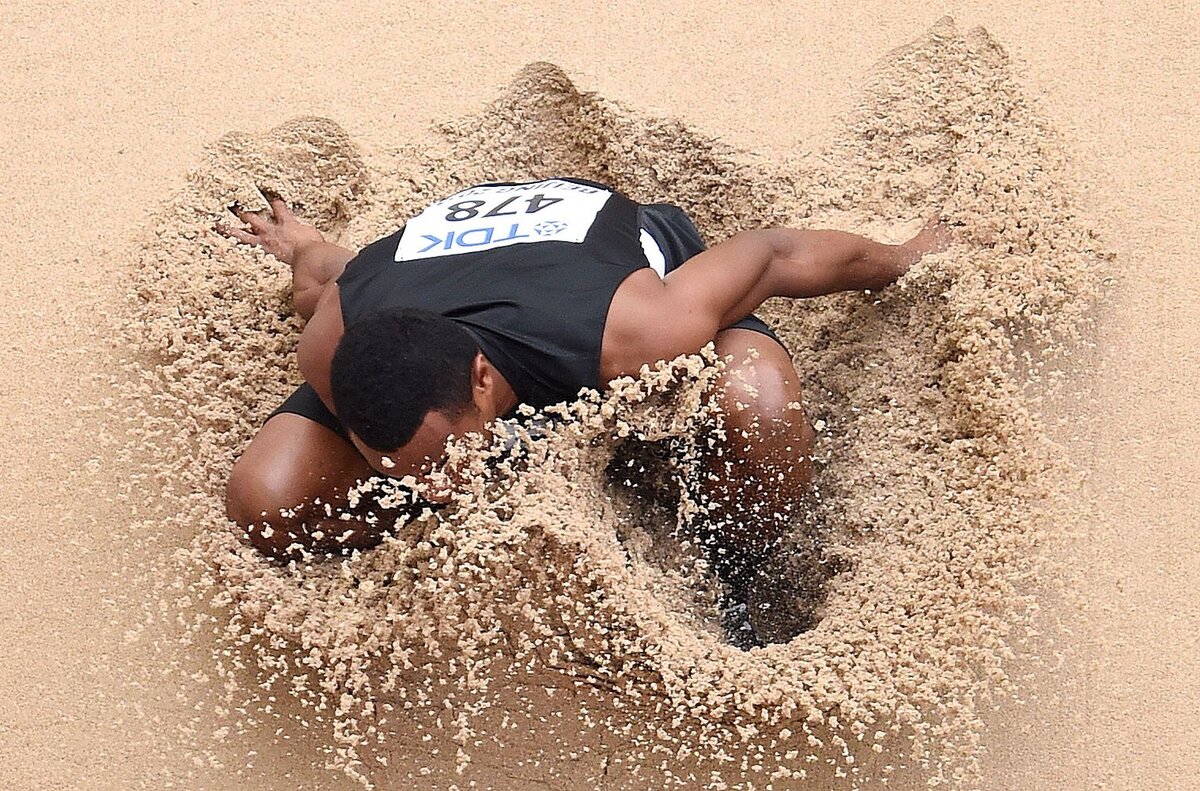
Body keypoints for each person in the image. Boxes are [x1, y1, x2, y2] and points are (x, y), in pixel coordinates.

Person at [218, 177, 949, 642]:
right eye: (403, 471)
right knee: (266, 498)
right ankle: (437, 454)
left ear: (481, 380)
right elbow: (325, 275)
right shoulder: (332, 343)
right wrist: (302, 242)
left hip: (585, 260)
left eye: (440, 461)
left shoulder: (633, 326)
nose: (434, 487)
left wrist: (905, 255)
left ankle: (737, 569)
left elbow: (775, 253)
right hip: (440, 265)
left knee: (757, 401)